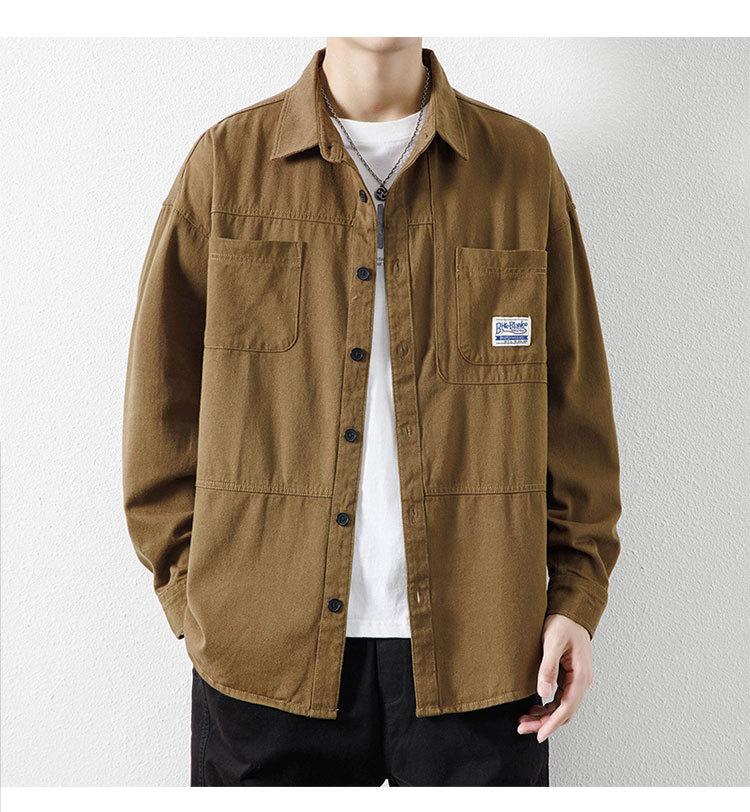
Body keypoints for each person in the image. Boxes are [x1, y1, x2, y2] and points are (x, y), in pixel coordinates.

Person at [123, 37, 621, 786]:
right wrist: (195, 601)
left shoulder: (520, 169)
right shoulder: (225, 167)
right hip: (262, 656)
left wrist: (577, 596)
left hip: (485, 652)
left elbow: (575, 408)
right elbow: (159, 408)